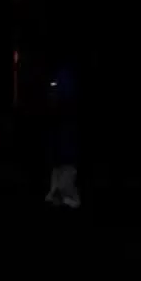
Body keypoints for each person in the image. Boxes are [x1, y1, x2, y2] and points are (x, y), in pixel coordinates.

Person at [44, 62, 81, 209]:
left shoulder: (65, 107)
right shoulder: (60, 110)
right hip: (62, 150)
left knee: (65, 169)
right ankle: (59, 197)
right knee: (62, 168)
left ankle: (64, 198)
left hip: (65, 150)